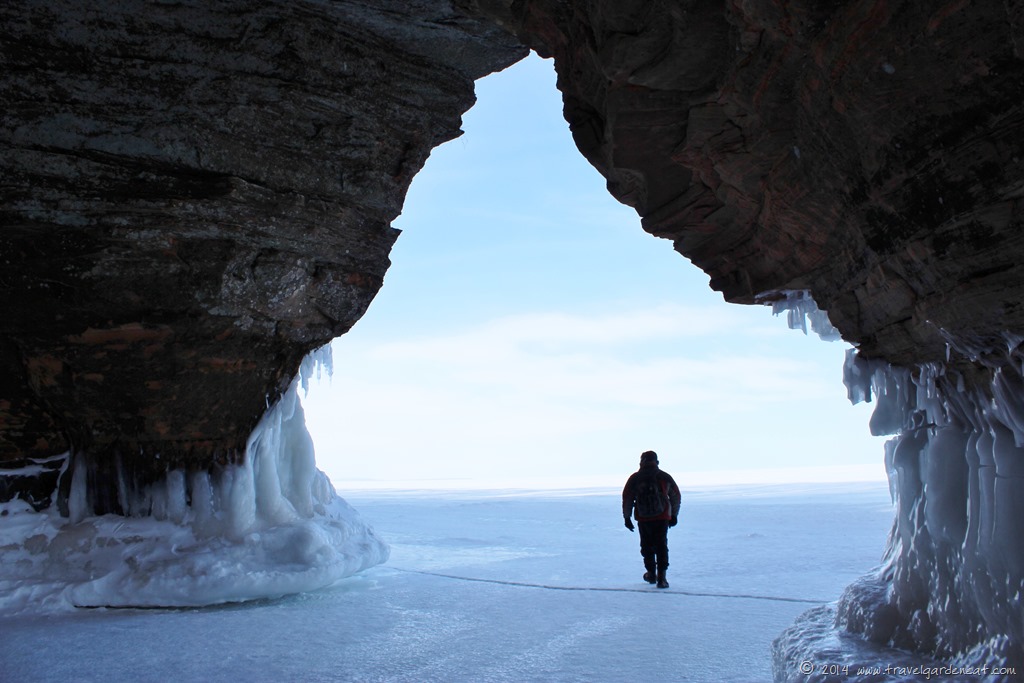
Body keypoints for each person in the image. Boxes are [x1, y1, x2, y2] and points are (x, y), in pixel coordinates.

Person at [622, 450, 681, 589]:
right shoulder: (664, 476)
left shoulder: (635, 478)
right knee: (661, 546)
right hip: (662, 517)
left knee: (646, 546)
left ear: (641, 462)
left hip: (643, 517)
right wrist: (674, 515)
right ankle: (662, 578)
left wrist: (627, 517)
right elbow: (676, 496)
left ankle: (651, 573)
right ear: (657, 462)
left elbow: (627, 498)